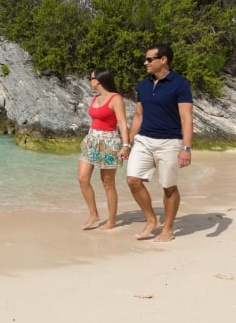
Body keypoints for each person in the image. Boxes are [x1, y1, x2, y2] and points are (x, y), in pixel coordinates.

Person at [123, 44, 194, 242]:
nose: (145, 63)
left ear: (163, 60)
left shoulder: (180, 84)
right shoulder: (143, 84)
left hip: (170, 141)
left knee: (168, 186)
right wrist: (127, 143)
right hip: (144, 139)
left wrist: (185, 148)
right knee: (132, 179)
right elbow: (138, 116)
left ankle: (168, 228)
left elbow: (186, 118)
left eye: (149, 59)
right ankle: (151, 220)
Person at [77, 68, 130, 230]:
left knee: (107, 183)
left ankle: (112, 220)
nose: (89, 81)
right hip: (92, 140)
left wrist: (126, 145)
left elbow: (122, 123)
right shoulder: (95, 99)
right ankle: (94, 214)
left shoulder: (116, 99)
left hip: (109, 142)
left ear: (98, 80)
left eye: (90, 78)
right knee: (82, 178)